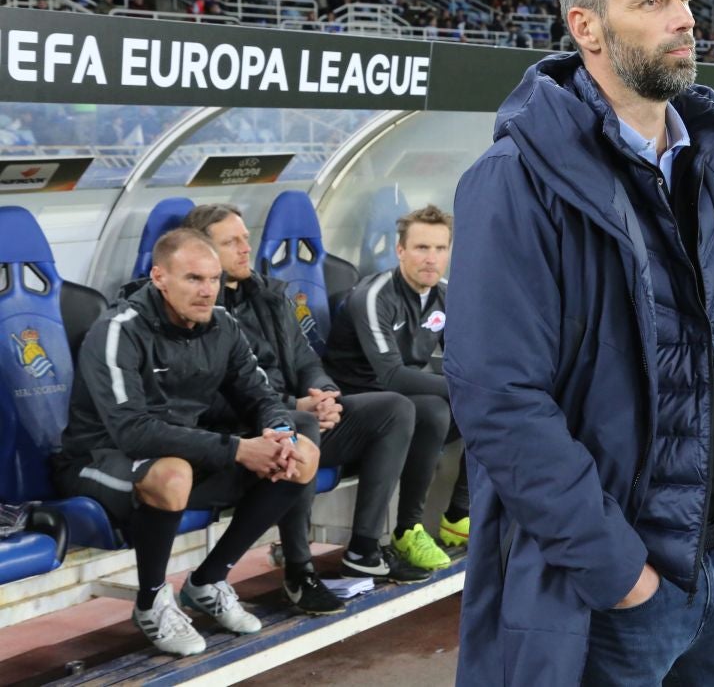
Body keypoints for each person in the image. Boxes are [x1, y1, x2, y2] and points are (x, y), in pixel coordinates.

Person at [443, 0, 714, 685]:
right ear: (588, 27)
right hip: (610, 592)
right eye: (653, 1)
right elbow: (499, 400)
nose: (684, 17)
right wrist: (621, 575)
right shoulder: (514, 181)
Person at [52, 230, 321, 656]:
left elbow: (261, 395)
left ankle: (209, 579)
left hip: (184, 455)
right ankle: (152, 601)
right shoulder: (118, 330)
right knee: (173, 473)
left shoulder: (223, 325)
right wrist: (237, 449)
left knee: (300, 456)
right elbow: (132, 431)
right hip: (100, 461)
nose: (207, 290)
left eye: (213, 279)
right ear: (159, 277)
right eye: (193, 278)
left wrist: (278, 434)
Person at [181, 204, 427, 604]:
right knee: (299, 425)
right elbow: (209, 399)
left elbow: (305, 360)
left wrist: (323, 394)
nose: (246, 248)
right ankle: (300, 571)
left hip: (293, 418)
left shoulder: (268, 294)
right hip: (244, 438)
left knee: (396, 408)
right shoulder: (199, 311)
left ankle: (364, 548)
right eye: (232, 242)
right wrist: (295, 406)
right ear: (201, 252)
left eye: (246, 237)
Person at [322, 205, 468, 573]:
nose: (431, 259)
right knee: (438, 408)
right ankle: (408, 529)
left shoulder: (447, 295)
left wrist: (486, 390)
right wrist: (467, 388)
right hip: (357, 405)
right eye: (421, 248)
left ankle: (459, 515)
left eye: (440, 249)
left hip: (405, 403)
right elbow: (390, 376)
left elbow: (467, 361)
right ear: (400, 250)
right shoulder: (374, 296)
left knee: (490, 404)